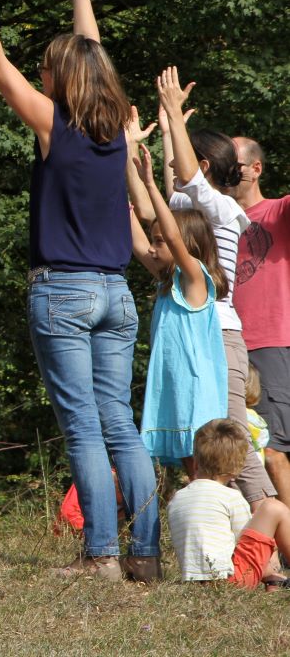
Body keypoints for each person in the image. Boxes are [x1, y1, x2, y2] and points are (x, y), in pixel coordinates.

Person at [0, 0, 159, 580]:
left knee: (85, 431)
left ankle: (101, 557)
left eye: (46, 68)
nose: (38, 73)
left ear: (60, 80)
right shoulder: (117, 132)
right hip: (116, 295)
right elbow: (94, 55)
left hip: (63, 293)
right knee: (120, 426)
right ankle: (145, 557)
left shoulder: (55, 128)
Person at [158, 72, 277, 507]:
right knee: (207, 439)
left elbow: (185, 174)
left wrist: (175, 113)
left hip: (222, 336)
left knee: (234, 438)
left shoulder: (223, 208)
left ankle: (273, 537)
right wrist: (169, 126)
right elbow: (176, 183)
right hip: (200, 335)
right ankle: (253, 554)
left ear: (205, 167)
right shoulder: (191, 205)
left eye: (187, 160)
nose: (175, 165)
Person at [126, 145, 228, 467]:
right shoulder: (167, 283)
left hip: (196, 391)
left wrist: (151, 184)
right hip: (173, 389)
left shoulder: (196, 280)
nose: (154, 247)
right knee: (190, 470)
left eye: (161, 241)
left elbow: (172, 237)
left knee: (203, 468)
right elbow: (137, 243)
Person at [231, 136, 290, 501]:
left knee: (273, 451)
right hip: (226, 344)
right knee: (236, 452)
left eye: (234, 165)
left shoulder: (277, 211)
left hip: (269, 342)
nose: (226, 172)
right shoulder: (216, 216)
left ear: (256, 169)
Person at [168, 419, 290, 588]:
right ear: (236, 469)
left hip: (195, 582)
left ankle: (273, 579)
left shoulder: (177, 498)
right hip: (232, 579)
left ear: (196, 461)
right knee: (273, 507)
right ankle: (273, 576)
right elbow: (244, 540)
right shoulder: (231, 497)